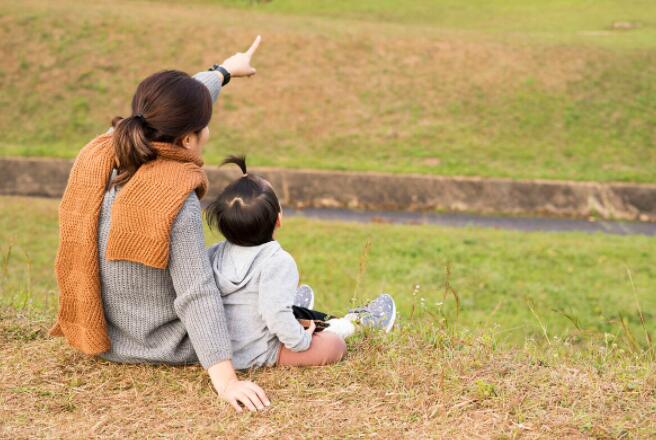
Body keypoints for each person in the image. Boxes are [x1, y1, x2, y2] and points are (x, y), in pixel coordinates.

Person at [49, 37, 272, 413]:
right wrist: (227, 381)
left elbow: (173, 107)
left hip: (107, 334)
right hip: (164, 342)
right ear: (187, 139)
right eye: (205, 127)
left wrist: (223, 72)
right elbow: (195, 292)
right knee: (239, 271)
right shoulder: (174, 195)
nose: (208, 133)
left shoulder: (105, 152)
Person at [205, 155, 397, 370]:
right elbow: (275, 315)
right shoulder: (277, 262)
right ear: (279, 219)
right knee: (333, 345)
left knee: (278, 309)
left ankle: (292, 309)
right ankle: (352, 324)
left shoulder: (212, 254)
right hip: (259, 351)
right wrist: (302, 341)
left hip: (219, 352)